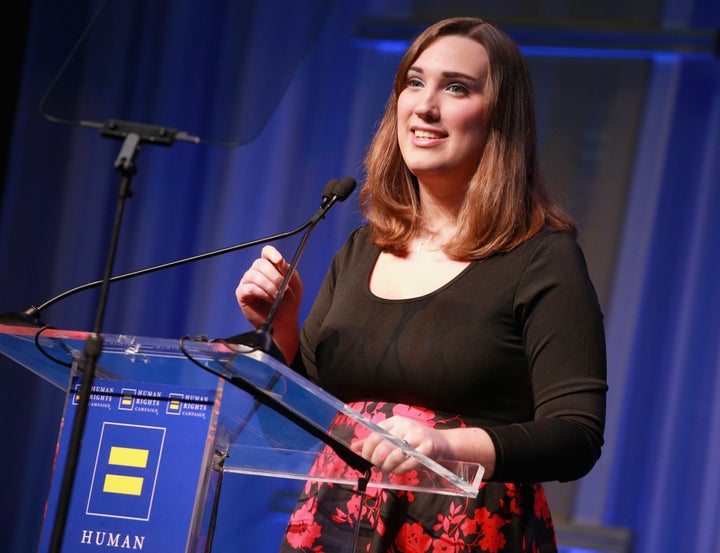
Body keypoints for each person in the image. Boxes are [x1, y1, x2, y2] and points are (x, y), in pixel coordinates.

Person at [235, 16, 607, 553]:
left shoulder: (542, 259)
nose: (425, 106)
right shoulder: (363, 248)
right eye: (414, 82)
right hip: (338, 530)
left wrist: (445, 444)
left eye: (456, 87)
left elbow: (575, 436)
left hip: (465, 536)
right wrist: (283, 330)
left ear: (500, 117)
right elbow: (295, 427)